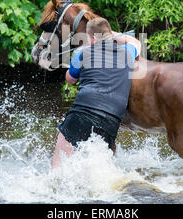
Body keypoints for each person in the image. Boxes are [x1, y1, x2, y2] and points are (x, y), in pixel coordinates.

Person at [51, 17, 141, 168]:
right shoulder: (128, 53)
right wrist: (115, 35)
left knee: (58, 165)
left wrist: (82, 51)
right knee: (101, 167)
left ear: (92, 37)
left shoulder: (81, 54)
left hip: (83, 113)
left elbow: (70, 79)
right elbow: (136, 42)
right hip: (112, 120)